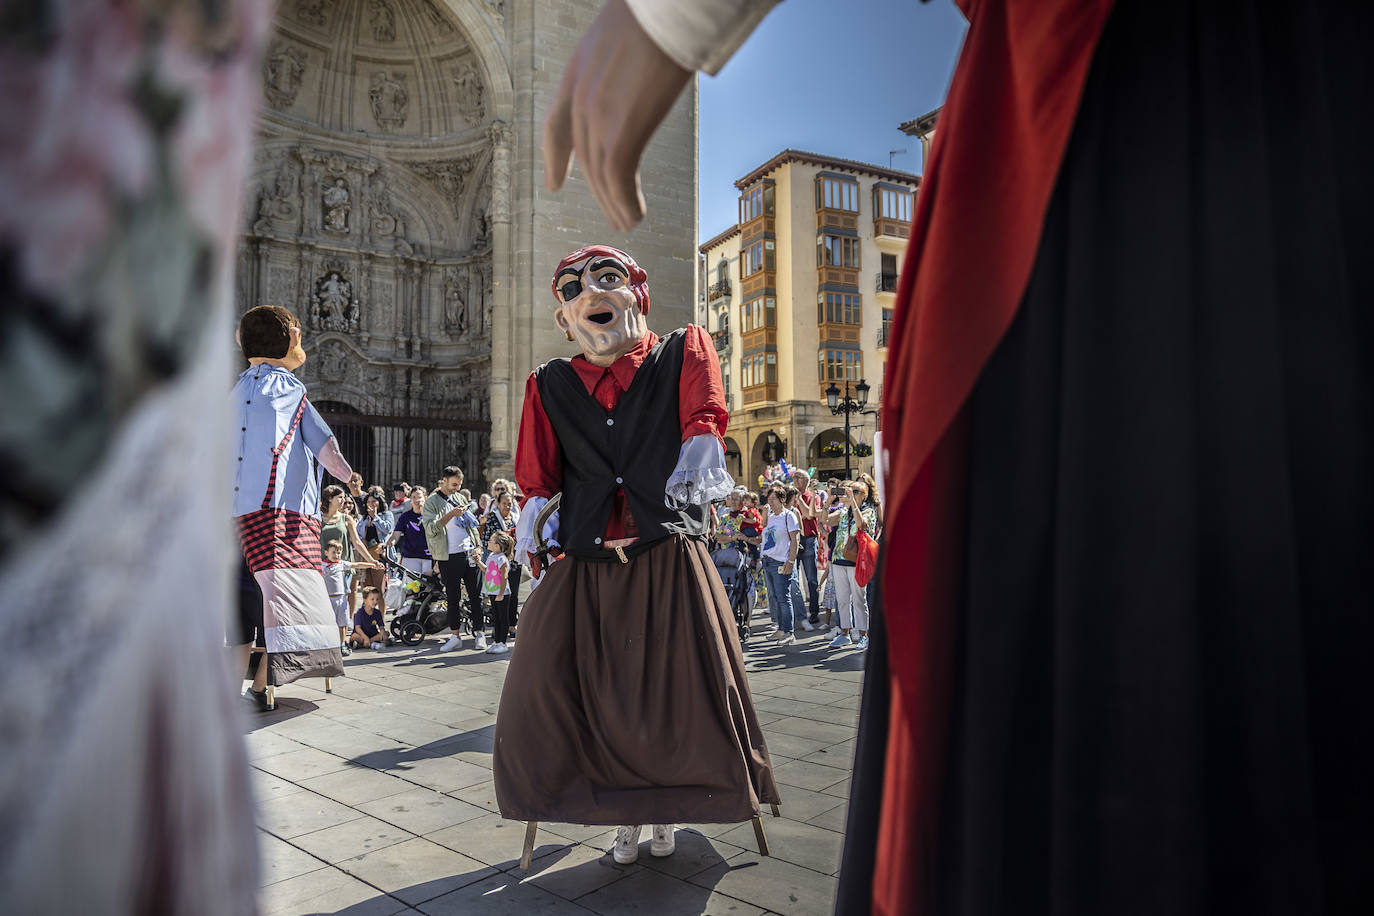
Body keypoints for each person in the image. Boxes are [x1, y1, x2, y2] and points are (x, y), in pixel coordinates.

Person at [494, 245, 779, 867]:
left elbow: (704, 414)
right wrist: (530, 516)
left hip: (667, 556)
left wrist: (704, 443)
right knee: (577, 690)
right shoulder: (549, 384)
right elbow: (539, 476)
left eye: (608, 278)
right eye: (573, 289)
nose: (591, 293)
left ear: (638, 295)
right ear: (565, 318)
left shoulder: (683, 350)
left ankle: (664, 807)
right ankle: (618, 814)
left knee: (678, 692)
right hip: (589, 566)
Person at [232, 305, 352, 708]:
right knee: (282, 609)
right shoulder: (291, 391)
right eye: (296, 335)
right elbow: (325, 447)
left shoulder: (234, 394)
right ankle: (263, 687)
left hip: (233, 520)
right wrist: (348, 476)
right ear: (283, 340)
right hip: (278, 521)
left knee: (240, 609)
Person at [422, 466, 486, 651]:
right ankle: (455, 635)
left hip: (468, 552)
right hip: (448, 555)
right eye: (454, 484)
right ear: (444, 481)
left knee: (475, 595)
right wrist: (451, 514)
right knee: (452, 596)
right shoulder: (432, 502)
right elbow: (431, 528)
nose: (457, 488)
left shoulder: (459, 497)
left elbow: (472, 525)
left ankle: (480, 633)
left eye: (459, 485)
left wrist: (478, 545)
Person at [826, 479, 875, 650]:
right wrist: (827, 502)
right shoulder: (842, 512)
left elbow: (861, 524)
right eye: (850, 491)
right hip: (839, 559)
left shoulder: (868, 511)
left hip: (857, 562)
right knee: (842, 599)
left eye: (855, 492)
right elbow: (825, 520)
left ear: (863, 495)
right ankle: (845, 633)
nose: (850, 494)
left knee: (859, 600)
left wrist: (852, 502)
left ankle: (864, 635)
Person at [321, 539, 379, 656]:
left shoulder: (341, 563)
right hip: (328, 599)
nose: (336, 555)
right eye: (333, 552)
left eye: (338, 553)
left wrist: (372, 564)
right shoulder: (321, 565)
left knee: (342, 624)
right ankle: (329, 645)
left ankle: (342, 644)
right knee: (328, 624)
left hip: (341, 599)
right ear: (326, 552)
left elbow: (357, 564)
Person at [320, 484, 371, 617]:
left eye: (344, 497)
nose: (344, 500)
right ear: (330, 498)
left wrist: (371, 560)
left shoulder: (346, 518)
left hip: (343, 565)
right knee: (324, 599)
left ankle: (344, 625)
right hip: (323, 566)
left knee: (343, 597)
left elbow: (357, 542)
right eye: (340, 497)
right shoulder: (318, 518)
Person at [759, 484, 800, 645]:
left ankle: (789, 632)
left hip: (781, 561)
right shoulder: (770, 515)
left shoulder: (788, 516)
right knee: (775, 597)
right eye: (768, 500)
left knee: (783, 597)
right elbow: (764, 532)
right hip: (768, 560)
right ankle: (781, 629)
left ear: (782, 500)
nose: (770, 502)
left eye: (773, 499)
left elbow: (795, 540)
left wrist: (791, 561)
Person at [482, 490, 523, 630]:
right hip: (497, 564)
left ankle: (511, 625)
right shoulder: (493, 518)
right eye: (504, 503)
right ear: (498, 504)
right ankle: (498, 627)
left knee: (513, 595)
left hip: (514, 562)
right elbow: (486, 539)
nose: (507, 506)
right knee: (498, 594)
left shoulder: (517, 518)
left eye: (509, 503)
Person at [789, 469, 821, 630]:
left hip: (809, 539)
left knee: (811, 578)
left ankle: (814, 611)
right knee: (793, 579)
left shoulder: (812, 496)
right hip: (794, 540)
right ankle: (796, 612)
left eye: (797, 477)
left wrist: (800, 500)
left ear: (805, 480)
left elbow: (809, 515)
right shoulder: (790, 497)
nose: (794, 480)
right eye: (793, 477)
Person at [356, 491, 394, 616]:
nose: (370, 504)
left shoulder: (386, 515)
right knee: (367, 590)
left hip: (380, 556)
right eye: (368, 502)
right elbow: (357, 534)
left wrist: (375, 518)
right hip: (365, 556)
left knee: (380, 590)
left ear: (379, 502)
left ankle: (381, 622)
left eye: (373, 501)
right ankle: (368, 622)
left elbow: (388, 529)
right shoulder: (363, 518)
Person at [481, 530, 515, 655]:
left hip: (502, 593)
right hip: (493, 592)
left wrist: (501, 593)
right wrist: (478, 561)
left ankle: (502, 642)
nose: (488, 542)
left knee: (502, 617)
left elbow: (504, 576)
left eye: (491, 541)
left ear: (497, 546)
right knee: (496, 618)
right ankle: (496, 641)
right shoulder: (491, 556)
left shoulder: (501, 558)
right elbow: (487, 570)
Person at [386, 485, 432, 575]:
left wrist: (424, 513)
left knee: (427, 586)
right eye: (413, 497)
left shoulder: (431, 515)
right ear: (410, 500)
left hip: (428, 557)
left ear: (425, 498)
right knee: (411, 587)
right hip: (410, 556)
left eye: (419, 497)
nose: (416, 500)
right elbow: (396, 535)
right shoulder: (405, 516)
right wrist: (389, 545)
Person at [349, 586, 387, 650]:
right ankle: (368, 643)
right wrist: (365, 638)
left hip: (373, 635)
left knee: (386, 634)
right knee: (354, 636)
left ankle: (365, 644)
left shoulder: (377, 613)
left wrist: (382, 631)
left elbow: (381, 626)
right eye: (372, 599)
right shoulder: (359, 613)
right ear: (365, 600)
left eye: (377, 599)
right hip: (361, 635)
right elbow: (358, 628)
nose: (375, 601)